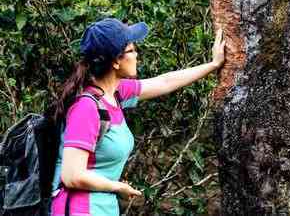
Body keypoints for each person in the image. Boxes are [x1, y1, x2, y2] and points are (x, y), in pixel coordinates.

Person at [49, 18, 226, 216]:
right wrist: (117, 187)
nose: (137, 55)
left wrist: (213, 64)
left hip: (101, 207)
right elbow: (72, 175)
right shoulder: (86, 107)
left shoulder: (115, 92)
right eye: (132, 50)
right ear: (116, 61)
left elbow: (165, 82)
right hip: (79, 209)